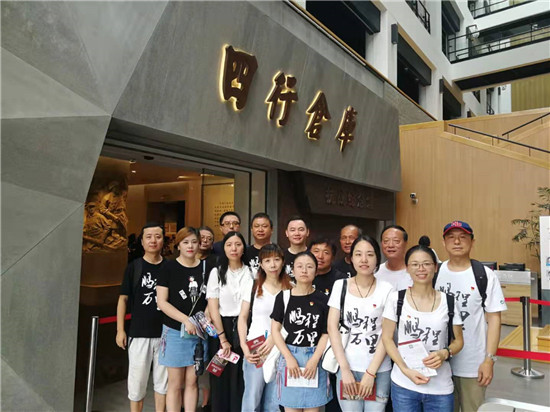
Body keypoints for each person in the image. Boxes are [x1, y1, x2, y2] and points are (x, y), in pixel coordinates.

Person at [382, 245, 464, 412]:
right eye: (415, 264)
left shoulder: (448, 301)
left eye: (426, 264)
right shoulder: (396, 299)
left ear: (435, 267)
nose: (421, 269)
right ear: (407, 268)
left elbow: (459, 341)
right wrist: (405, 370)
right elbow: (387, 338)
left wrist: (445, 353)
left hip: (440, 388)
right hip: (404, 384)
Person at [434, 221, 506, 412]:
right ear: (443, 242)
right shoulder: (435, 273)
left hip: (473, 364)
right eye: (451, 237)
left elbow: (494, 319)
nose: (457, 242)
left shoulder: (484, 275)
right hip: (440, 363)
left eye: (463, 237)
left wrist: (489, 360)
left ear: (472, 242)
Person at [327, 235, 393, 412]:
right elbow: (332, 328)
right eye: (358, 254)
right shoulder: (340, 286)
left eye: (370, 254)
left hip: (379, 369)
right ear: (351, 258)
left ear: (377, 258)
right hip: (347, 366)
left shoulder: (387, 289)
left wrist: (371, 372)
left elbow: (387, 334)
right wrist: (344, 369)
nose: (364, 260)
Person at [156, 227, 211, 412]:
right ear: (178, 245)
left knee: (193, 381)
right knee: (175, 383)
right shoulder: (168, 267)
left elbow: (211, 298)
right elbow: (162, 302)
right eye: (185, 242)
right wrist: (186, 320)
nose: (190, 246)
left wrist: (206, 316)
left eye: (194, 242)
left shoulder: (206, 268)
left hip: (198, 333)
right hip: (174, 332)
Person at [271, 251, 333, 411]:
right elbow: (275, 330)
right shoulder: (283, 297)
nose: (304, 270)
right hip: (290, 357)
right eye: (300, 266)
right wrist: (288, 357)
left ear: (316, 271)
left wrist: (315, 359)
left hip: (315, 357)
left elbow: (326, 333)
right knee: (291, 407)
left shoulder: (324, 300)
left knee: (314, 407)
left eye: (309, 266)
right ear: (293, 270)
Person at [116, 222, 168, 412]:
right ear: (142, 241)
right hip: (138, 334)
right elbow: (123, 299)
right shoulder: (134, 267)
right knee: (136, 384)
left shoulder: (170, 267)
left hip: (166, 335)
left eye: (158, 236)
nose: (153, 240)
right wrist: (120, 330)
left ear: (163, 240)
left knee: (163, 385)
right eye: (149, 237)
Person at [238, 244, 292, 412]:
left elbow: (290, 322)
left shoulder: (291, 288)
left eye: (276, 260)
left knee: (274, 402)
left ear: (283, 262)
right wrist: (244, 346)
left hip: (280, 349)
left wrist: (273, 340)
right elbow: (243, 317)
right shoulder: (253, 286)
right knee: (252, 398)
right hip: (256, 348)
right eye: (267, 261)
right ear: (260, 264)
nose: (272, 265)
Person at [206, 231, 253, 411]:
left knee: (240, 377)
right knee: (220, 377)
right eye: (229, 244)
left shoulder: (252, 272)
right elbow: (213, 307)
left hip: (244, 327)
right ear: (223, 248)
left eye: (238, 244)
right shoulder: (216, 272)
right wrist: (222, 338)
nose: (234, 248)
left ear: (244, 248)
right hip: (221, 327)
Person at [375, 225, 412, 291]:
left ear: (406, 244)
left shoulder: (415, 272)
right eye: (386, 241)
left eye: (396, 241)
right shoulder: (375, 272)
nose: (390, 245)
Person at [245, 213, 274, 277]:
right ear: (251, 230)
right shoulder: (245, 253)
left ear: (271, 229)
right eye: (256, 226)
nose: (260, 230)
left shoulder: (278, 251)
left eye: (264, 226)